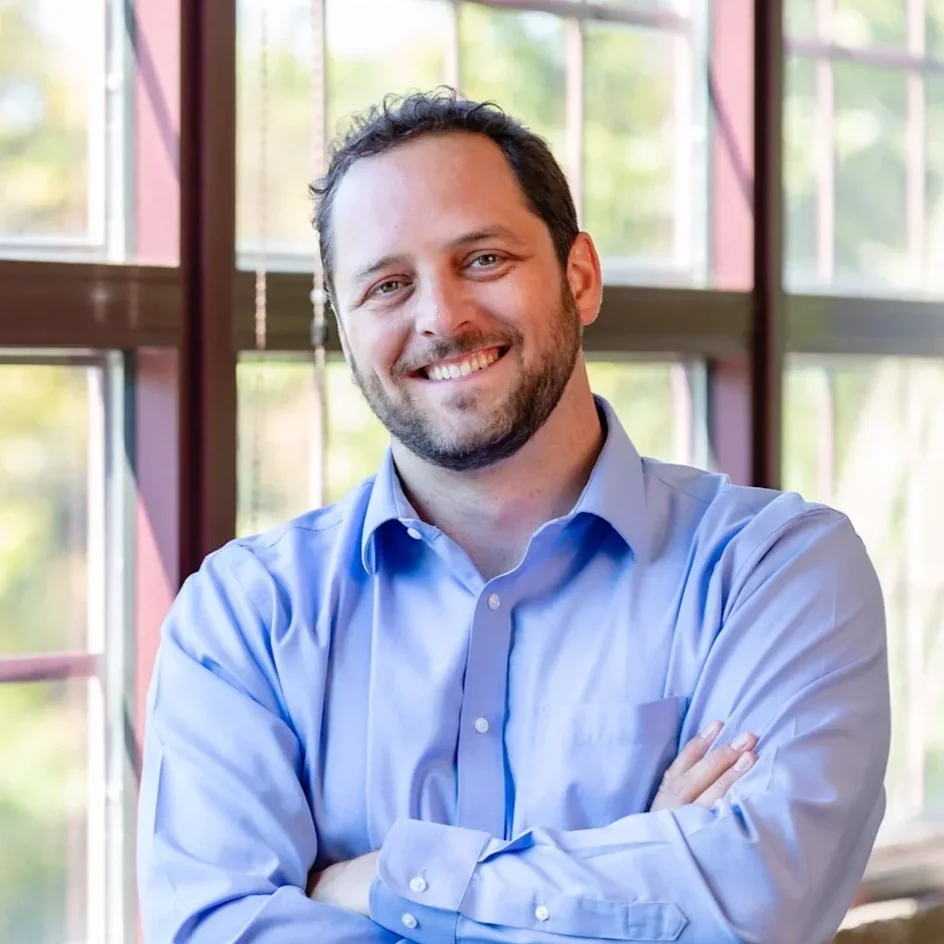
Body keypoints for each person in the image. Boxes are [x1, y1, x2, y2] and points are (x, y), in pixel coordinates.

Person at [137, 90, 890, 944]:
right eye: (388, 285)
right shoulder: (244, 619)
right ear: (344, 329)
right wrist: (639, 874)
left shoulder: (774, 571)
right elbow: (217, 929)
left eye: (485, 259)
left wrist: (380, 883)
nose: (441, 317)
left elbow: (756, 904)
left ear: (581, 276)